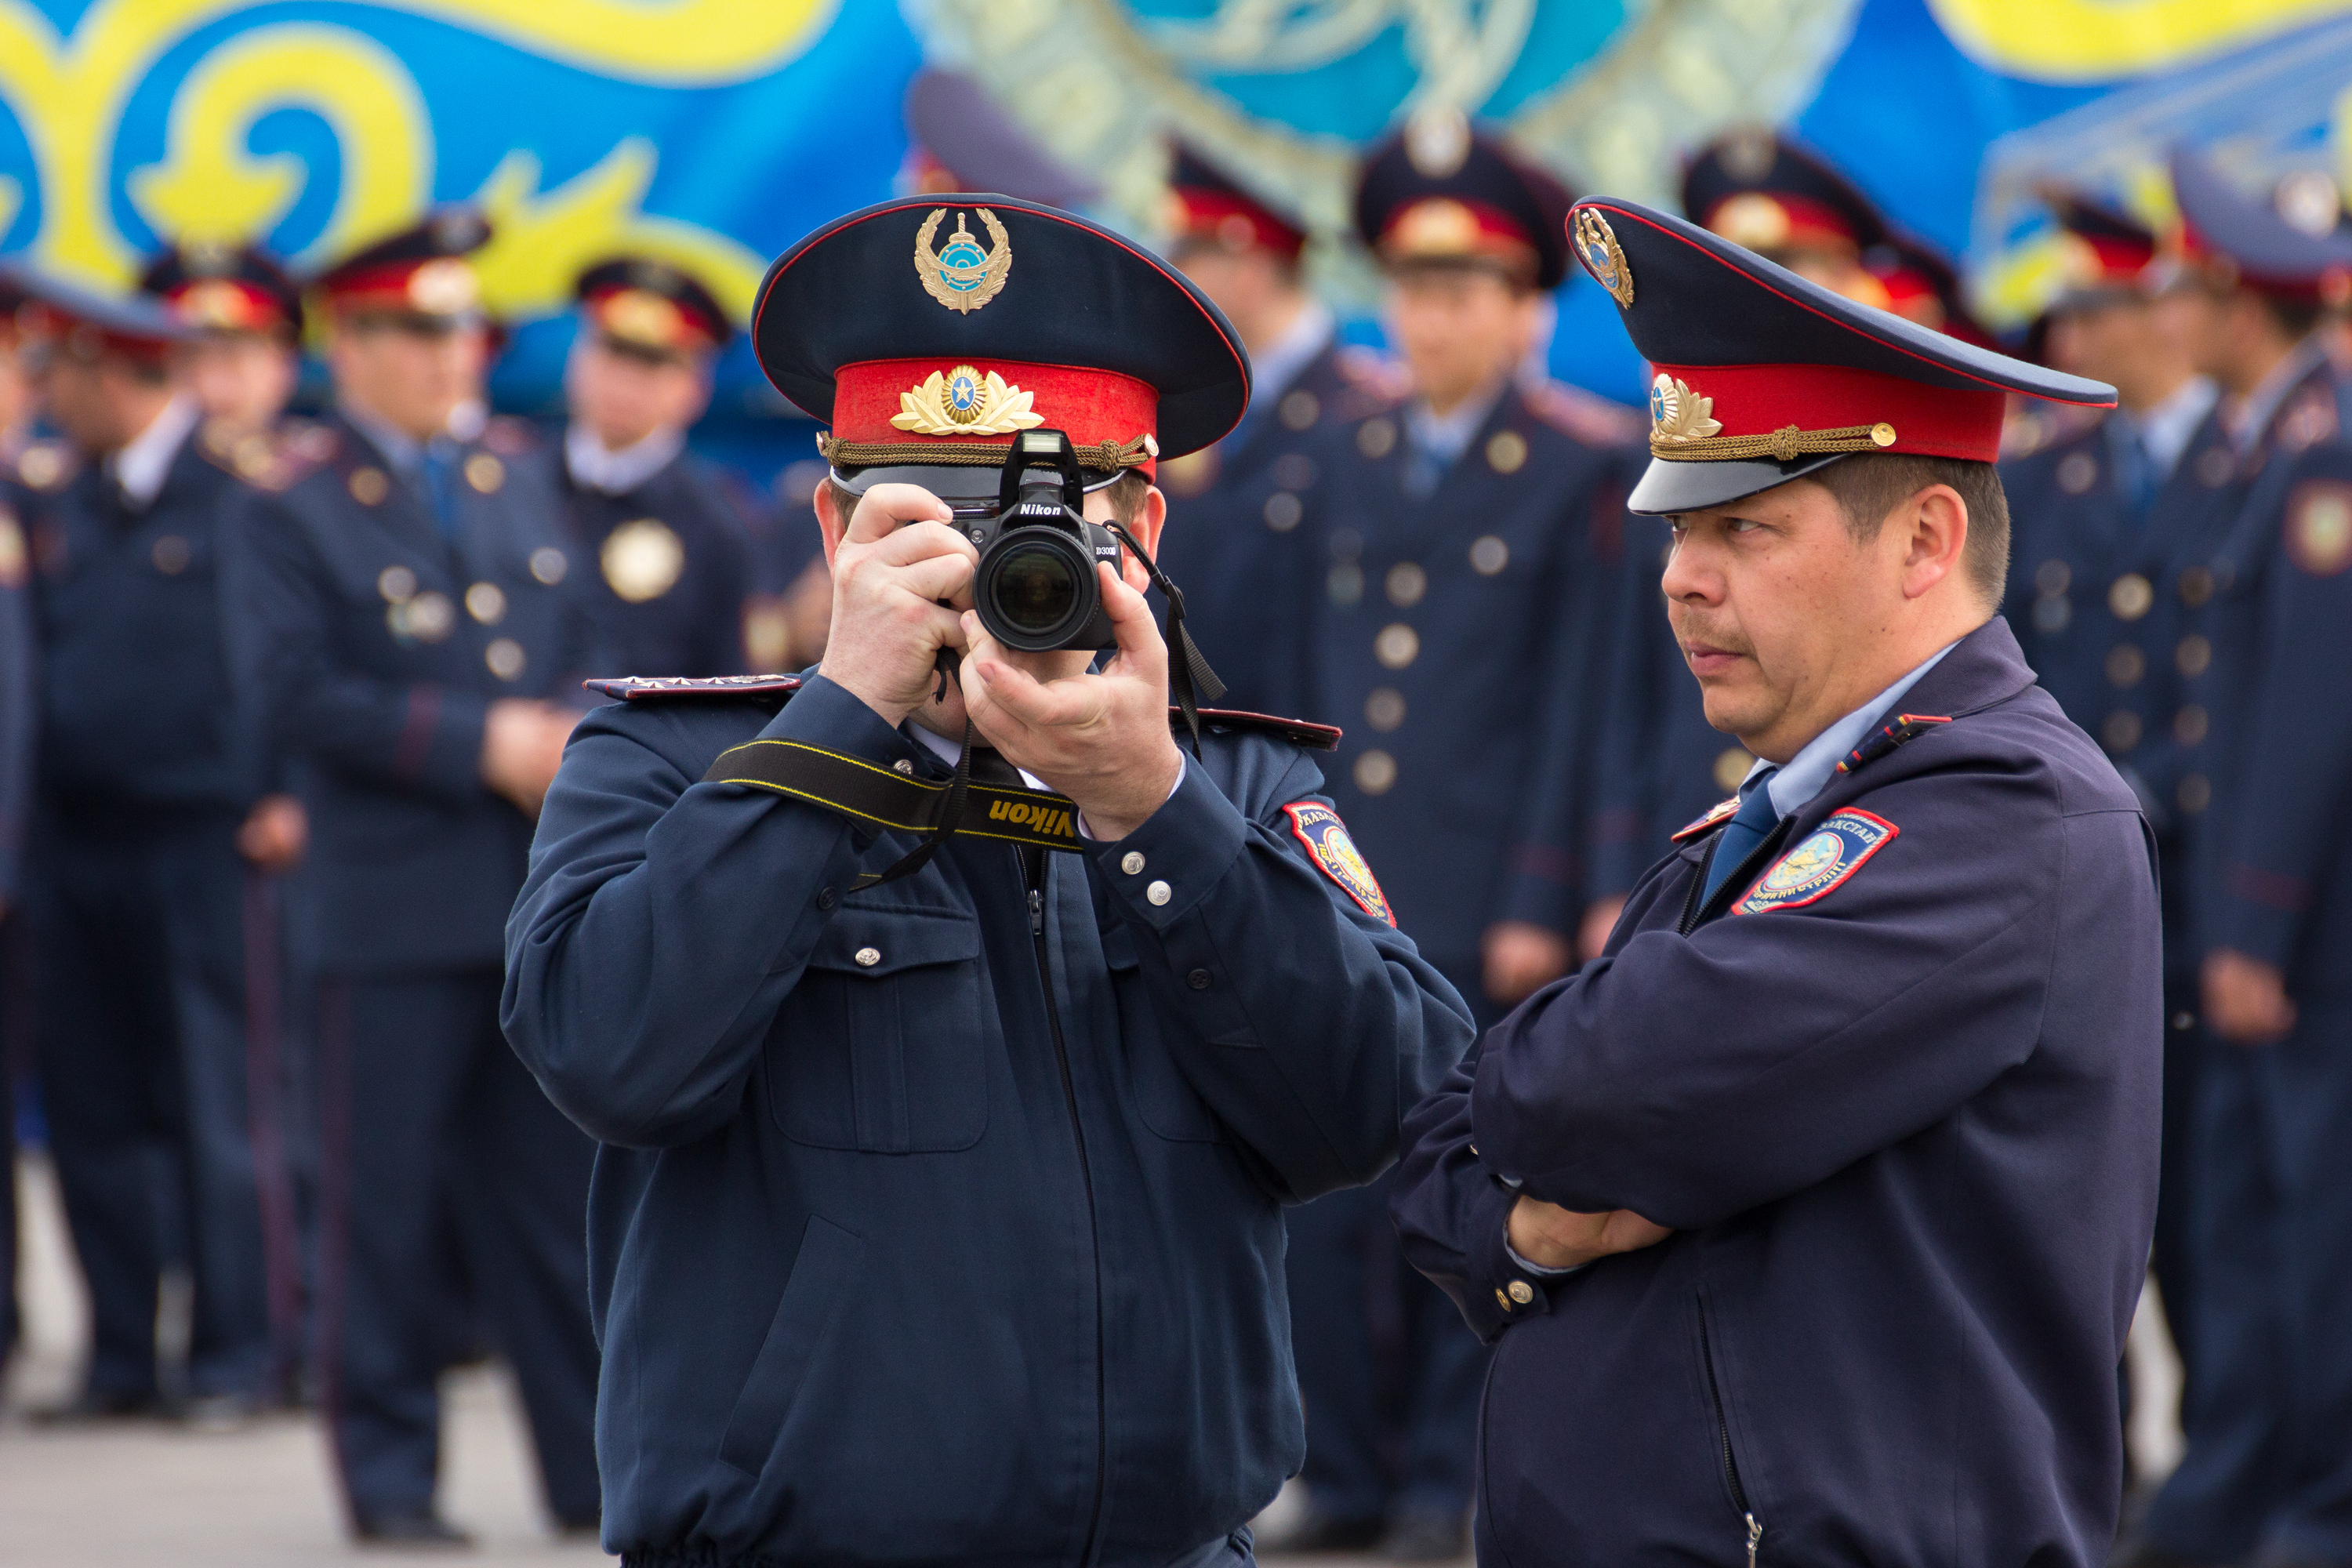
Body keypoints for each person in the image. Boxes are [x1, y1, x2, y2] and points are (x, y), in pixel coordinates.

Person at [502, 189, 1474, 1567]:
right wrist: (840, 724)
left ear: (1145, 525)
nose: (985, 566)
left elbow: (1389, 1105)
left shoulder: (1232, 783)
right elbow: (608, 1058)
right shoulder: (672, 761)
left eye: (1042, 515)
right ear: (835, 532)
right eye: (930, 517)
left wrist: (1155, 809)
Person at [1393, 194, 2159, 1566]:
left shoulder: (2007, 810)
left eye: (1744, 530)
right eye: (1677, 533)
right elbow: (1439, 1159)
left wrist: (1524, 1138)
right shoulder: (1788, 807)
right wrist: (1532, 1218)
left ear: (1925, 541)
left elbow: (1591, 1085)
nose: (1682, 581)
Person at [1275, 118, 1641, 1559]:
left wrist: (1545, 892)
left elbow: (1584, 701)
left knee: (1472, 1184)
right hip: (1347, 880)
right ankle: (1342, 1470)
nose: (1432, 319)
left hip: (1489, 886)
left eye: (1465, 291)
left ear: (1525, 308)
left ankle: (1446, 1472)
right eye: (1413, 289)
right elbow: (1306, 684)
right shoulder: (1344, 454)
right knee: (1327, 1193)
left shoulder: (1579, 465)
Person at [219, 208, 600, 1544]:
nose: (457, 355)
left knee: (557, 1208)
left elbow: (576, 635)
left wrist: (562, 728)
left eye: (467, 329)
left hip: (525, 897)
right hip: (387, 907)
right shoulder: (289, 502)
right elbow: (289, 691)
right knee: (378, 1210)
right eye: (426, 331)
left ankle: (594, 1476)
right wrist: (480, 742)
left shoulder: (510, 476)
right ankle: (388, 1482)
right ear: (354, 341)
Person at [2115, 151, 2352, 1568]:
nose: (2162, 315)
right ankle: (2239, 1489)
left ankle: (2327, 1504)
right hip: (2244, 912)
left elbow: (2308, 716)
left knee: (2317, 1227)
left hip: (2308, 932)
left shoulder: (2323, 452)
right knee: (2242, 1222)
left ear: (2234, 302)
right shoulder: (2256, 443)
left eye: (2180, 291)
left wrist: (2254, 930)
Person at [5, 269, 286, 1426]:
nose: (43, 394)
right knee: (93, 1104)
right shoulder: (57, 500)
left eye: (57, 371)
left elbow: (274, 658)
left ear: (112, 373)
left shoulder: (236, 494)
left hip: (202, 838)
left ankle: (235, 1352)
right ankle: (122, 1354)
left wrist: (280, 792)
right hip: (76, 842)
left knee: (215, 1103)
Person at [1999, 189, 2230, 1411]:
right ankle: (2113, 1455)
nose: (2073, 342)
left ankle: (2230, 1446)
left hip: (2216, 875)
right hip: (2082, 874)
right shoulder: (2051, 474)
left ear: (2163, 310)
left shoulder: (2252, 456)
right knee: (2083, 1185)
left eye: (2095, 312)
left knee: (2220, 1197)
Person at [1152, 144, 1385, 717]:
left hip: (1294, 751)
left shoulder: (1363, 418)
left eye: (1190, 259)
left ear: (1249, 267)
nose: (1176, 284)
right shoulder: (1187, 399)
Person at [542, 256, 753, 678]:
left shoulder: (718, 523)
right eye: (612, 352)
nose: (623, 382)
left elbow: (728, 679)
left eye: (651, 365)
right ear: (576, 357)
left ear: (695, 388)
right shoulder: (507, 481)